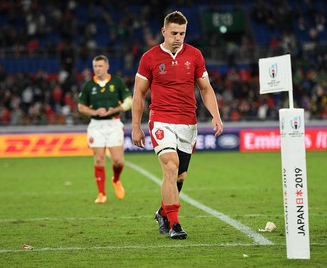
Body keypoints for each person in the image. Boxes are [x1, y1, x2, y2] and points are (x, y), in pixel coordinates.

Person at [131, 11, 223, 239]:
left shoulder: (194, 55)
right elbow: (139, 94)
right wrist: (135, 125)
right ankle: (174, 224)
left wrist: (216, 115)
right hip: (161, 120)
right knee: (170, 168)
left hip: (187, 123)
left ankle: (162, 212)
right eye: (173, 33)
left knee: (180, 177)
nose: (178, 37)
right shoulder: (149, 58)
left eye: (182, 33)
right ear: (163, 32)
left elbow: (205, 88)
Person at [78, 55, 132, 204]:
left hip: (114, 124)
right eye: (95, 66)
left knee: (118, 161)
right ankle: (101, 193)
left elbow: (129, 101)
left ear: (107, 67)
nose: (98, 69)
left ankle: (116, 179)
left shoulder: (117, 82)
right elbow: (81, 106)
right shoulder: (89, 86)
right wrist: (94, 112)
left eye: (100, 66)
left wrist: (115, 109)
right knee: (99, 159)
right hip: (96, 125)